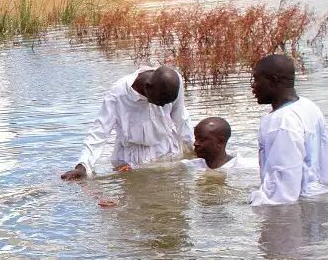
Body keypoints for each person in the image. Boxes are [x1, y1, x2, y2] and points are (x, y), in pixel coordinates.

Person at [61, 65, 192, 180]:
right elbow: (99, 133)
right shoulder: (117, 95)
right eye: (161, 102)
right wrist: (82, 166)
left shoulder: (173, 82)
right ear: (148, 87)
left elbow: (181, 118)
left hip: (167, 151)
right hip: (132, 161)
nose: (163, 106)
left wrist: (192, 149)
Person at [248, 54, 328, 206]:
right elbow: (327, 170)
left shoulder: (281, 122)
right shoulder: (309, 106)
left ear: (273, 81)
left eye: (256, 79)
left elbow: (281, 194)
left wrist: (249, 203)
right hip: (320, 199)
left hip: (296, 210)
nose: (253, 85)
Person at [181, 117, 256, 173]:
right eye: (196, 138)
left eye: (202, 140)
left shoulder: (245, 167)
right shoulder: (189, 165)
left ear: (220, 141)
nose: (195, 143)